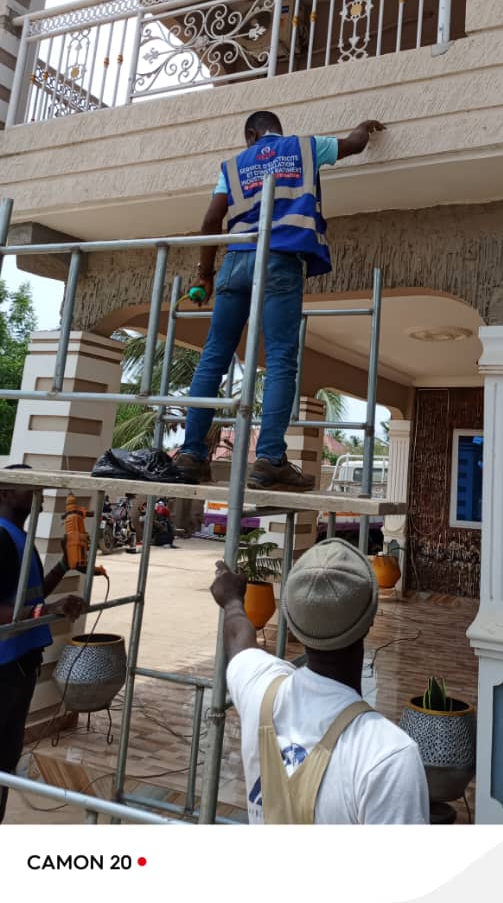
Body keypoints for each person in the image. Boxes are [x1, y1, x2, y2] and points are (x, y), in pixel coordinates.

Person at [174, 110, 385, 489]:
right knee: (280, 359)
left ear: (252, 135)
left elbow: (211, 219)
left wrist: (205, 274)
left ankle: (191, 454)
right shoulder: (305, 148)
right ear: (276, 131)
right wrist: (365, 126)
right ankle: (270, 459)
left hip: (236, 261)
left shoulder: (234, 166)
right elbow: (353, 145)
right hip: (279, 259)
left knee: (214, 355)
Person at [210, 537, 429, 824]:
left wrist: (232, 601)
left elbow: (239, 638)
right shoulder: (387, 755)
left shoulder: (259, 690)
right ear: (370, 619)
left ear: (291, 618)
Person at [0, 467, 87, 823]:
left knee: (6, 757)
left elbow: (29, 596)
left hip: (21, 666)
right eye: (30, 487)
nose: (40, 492)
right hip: (3, 668)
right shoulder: (1, 540)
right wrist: (46, 610)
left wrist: (64, 566)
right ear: (4, 493)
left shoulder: (21, 538)